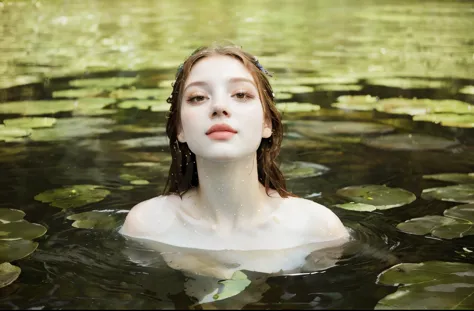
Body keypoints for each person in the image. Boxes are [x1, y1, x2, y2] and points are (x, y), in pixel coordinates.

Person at [119, 44, 349, 252]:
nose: (219, 106)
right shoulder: (146, 226)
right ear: (180, 127)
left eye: (241, 94)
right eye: (198, 97)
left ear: (266, 123)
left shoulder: (317, 229)